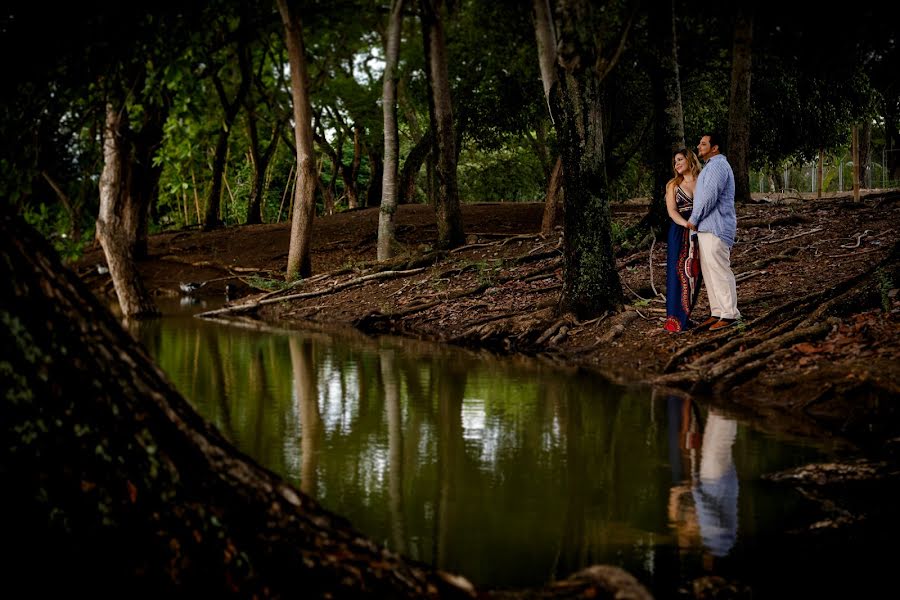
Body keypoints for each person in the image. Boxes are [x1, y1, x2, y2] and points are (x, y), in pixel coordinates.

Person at [688, 133, 741, 331]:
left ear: (715, 147)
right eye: (700, 143)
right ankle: (717, 311)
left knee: (719, 270)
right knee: (709, 272)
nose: (699, 146)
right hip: (707, 228)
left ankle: (730, 314)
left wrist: (693, 219)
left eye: (703, 144)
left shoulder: (718, 166)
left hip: (716, 228)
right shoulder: (710, 167)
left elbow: (709, 197)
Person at [663, 148, 703, 332]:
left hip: (700, 233)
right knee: (677, 273)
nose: (677, 164)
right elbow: (672, 212)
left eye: (680, 159)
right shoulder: (673, 185)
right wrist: (687, 224)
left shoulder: (702, 180)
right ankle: (674, 319)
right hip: (679, 232)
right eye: (675, 161)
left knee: (694, 273)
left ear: (690, 160)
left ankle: (686, 316)